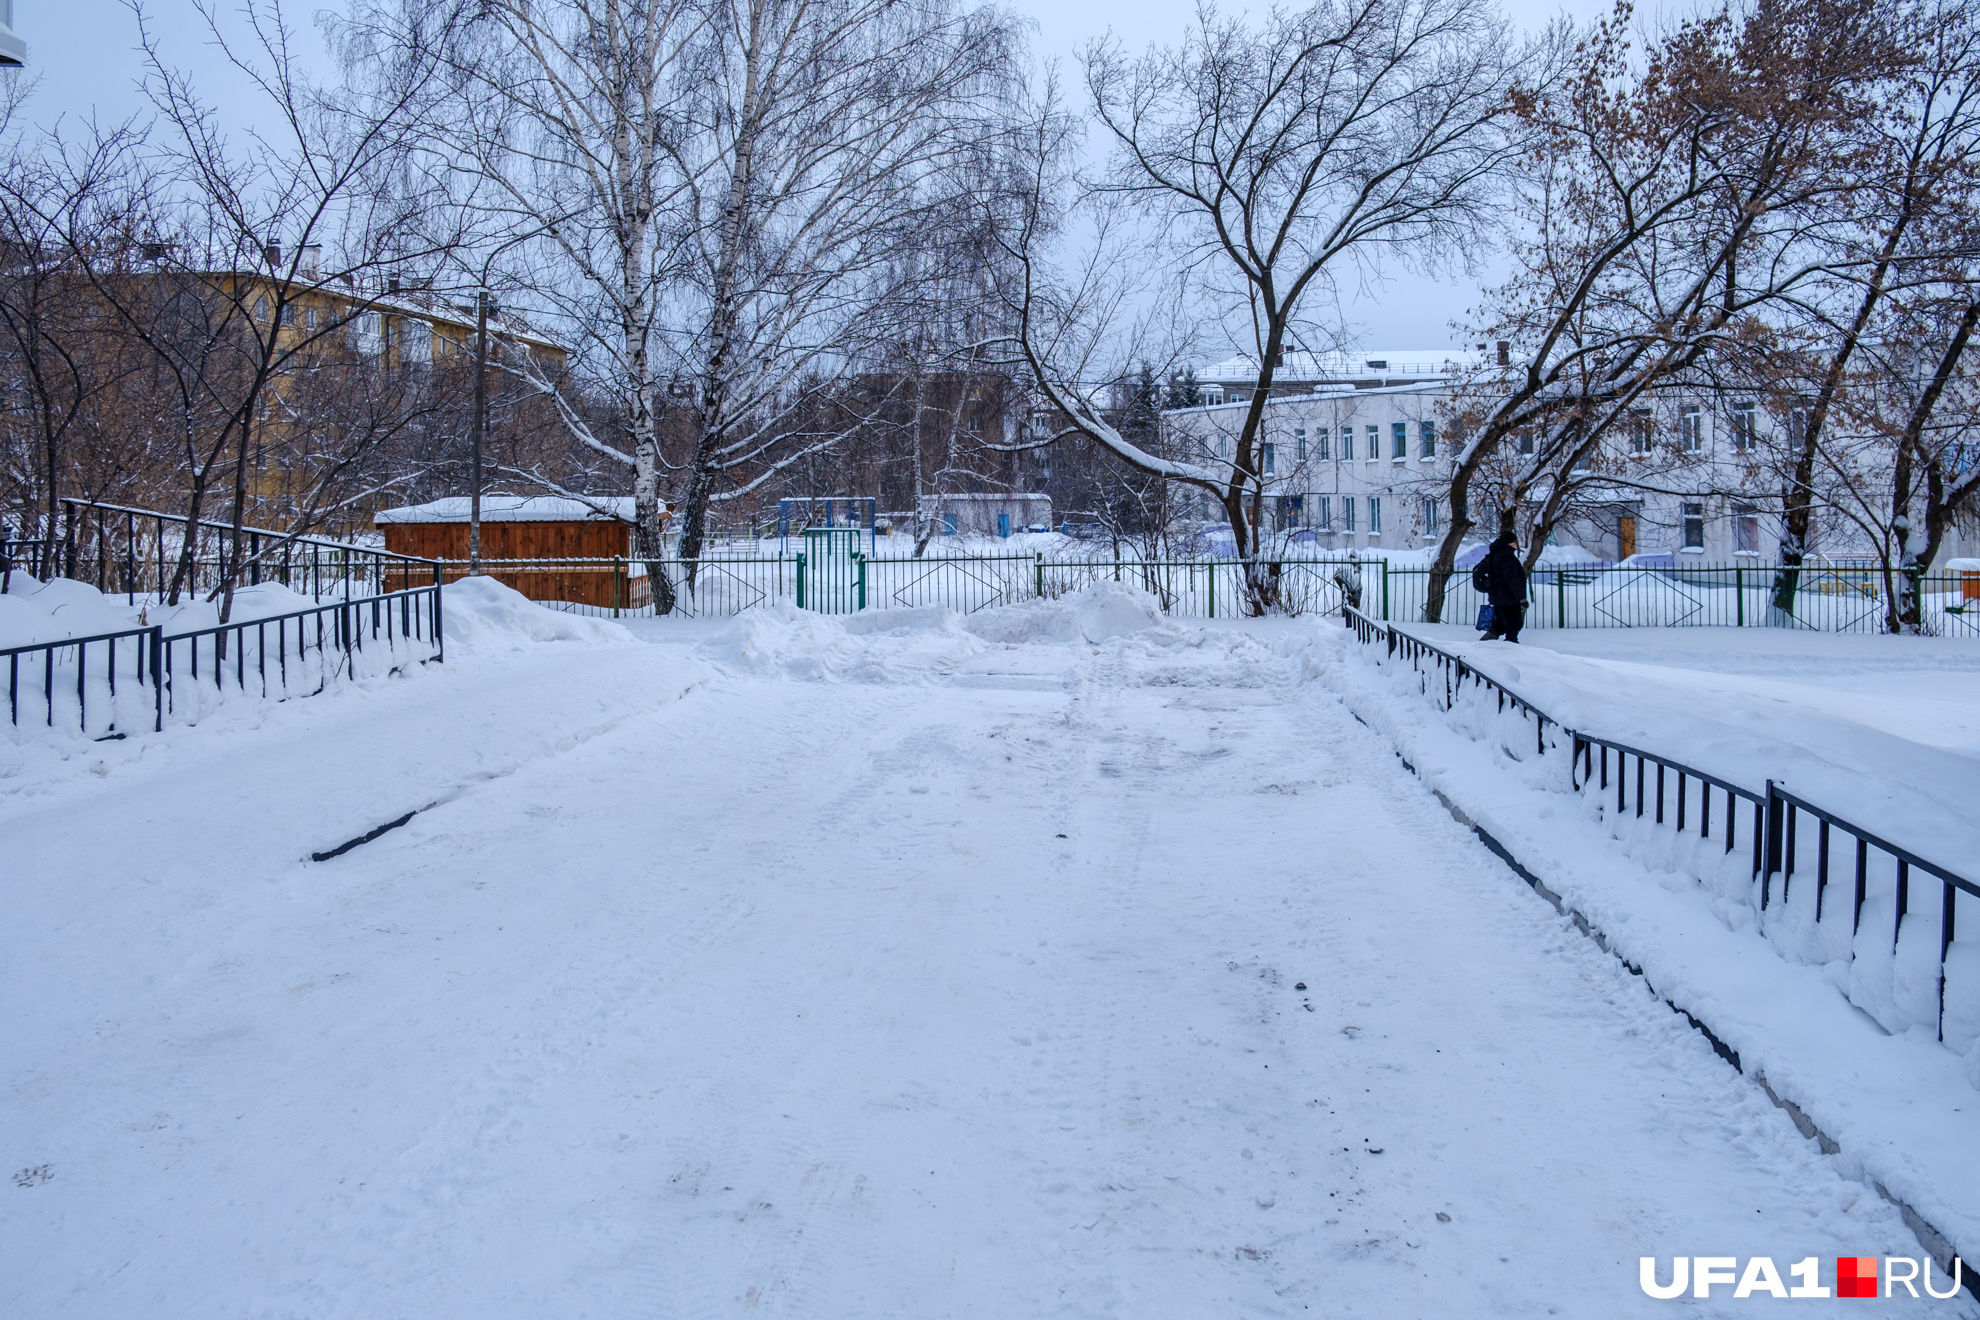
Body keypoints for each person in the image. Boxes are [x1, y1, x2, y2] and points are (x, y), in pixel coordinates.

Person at [1478, 530, 1529, 643]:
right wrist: (1522, 598)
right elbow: (1511, 578)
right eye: (1514, 541)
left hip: (1497, 596)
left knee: (1501, 622)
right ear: (1509, 542)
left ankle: (1484, 643)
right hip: (1508, 598)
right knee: (1514, 623)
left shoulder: (1494, 554)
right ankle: (1511, 645)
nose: (1516, 544)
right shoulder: (1507, 556)